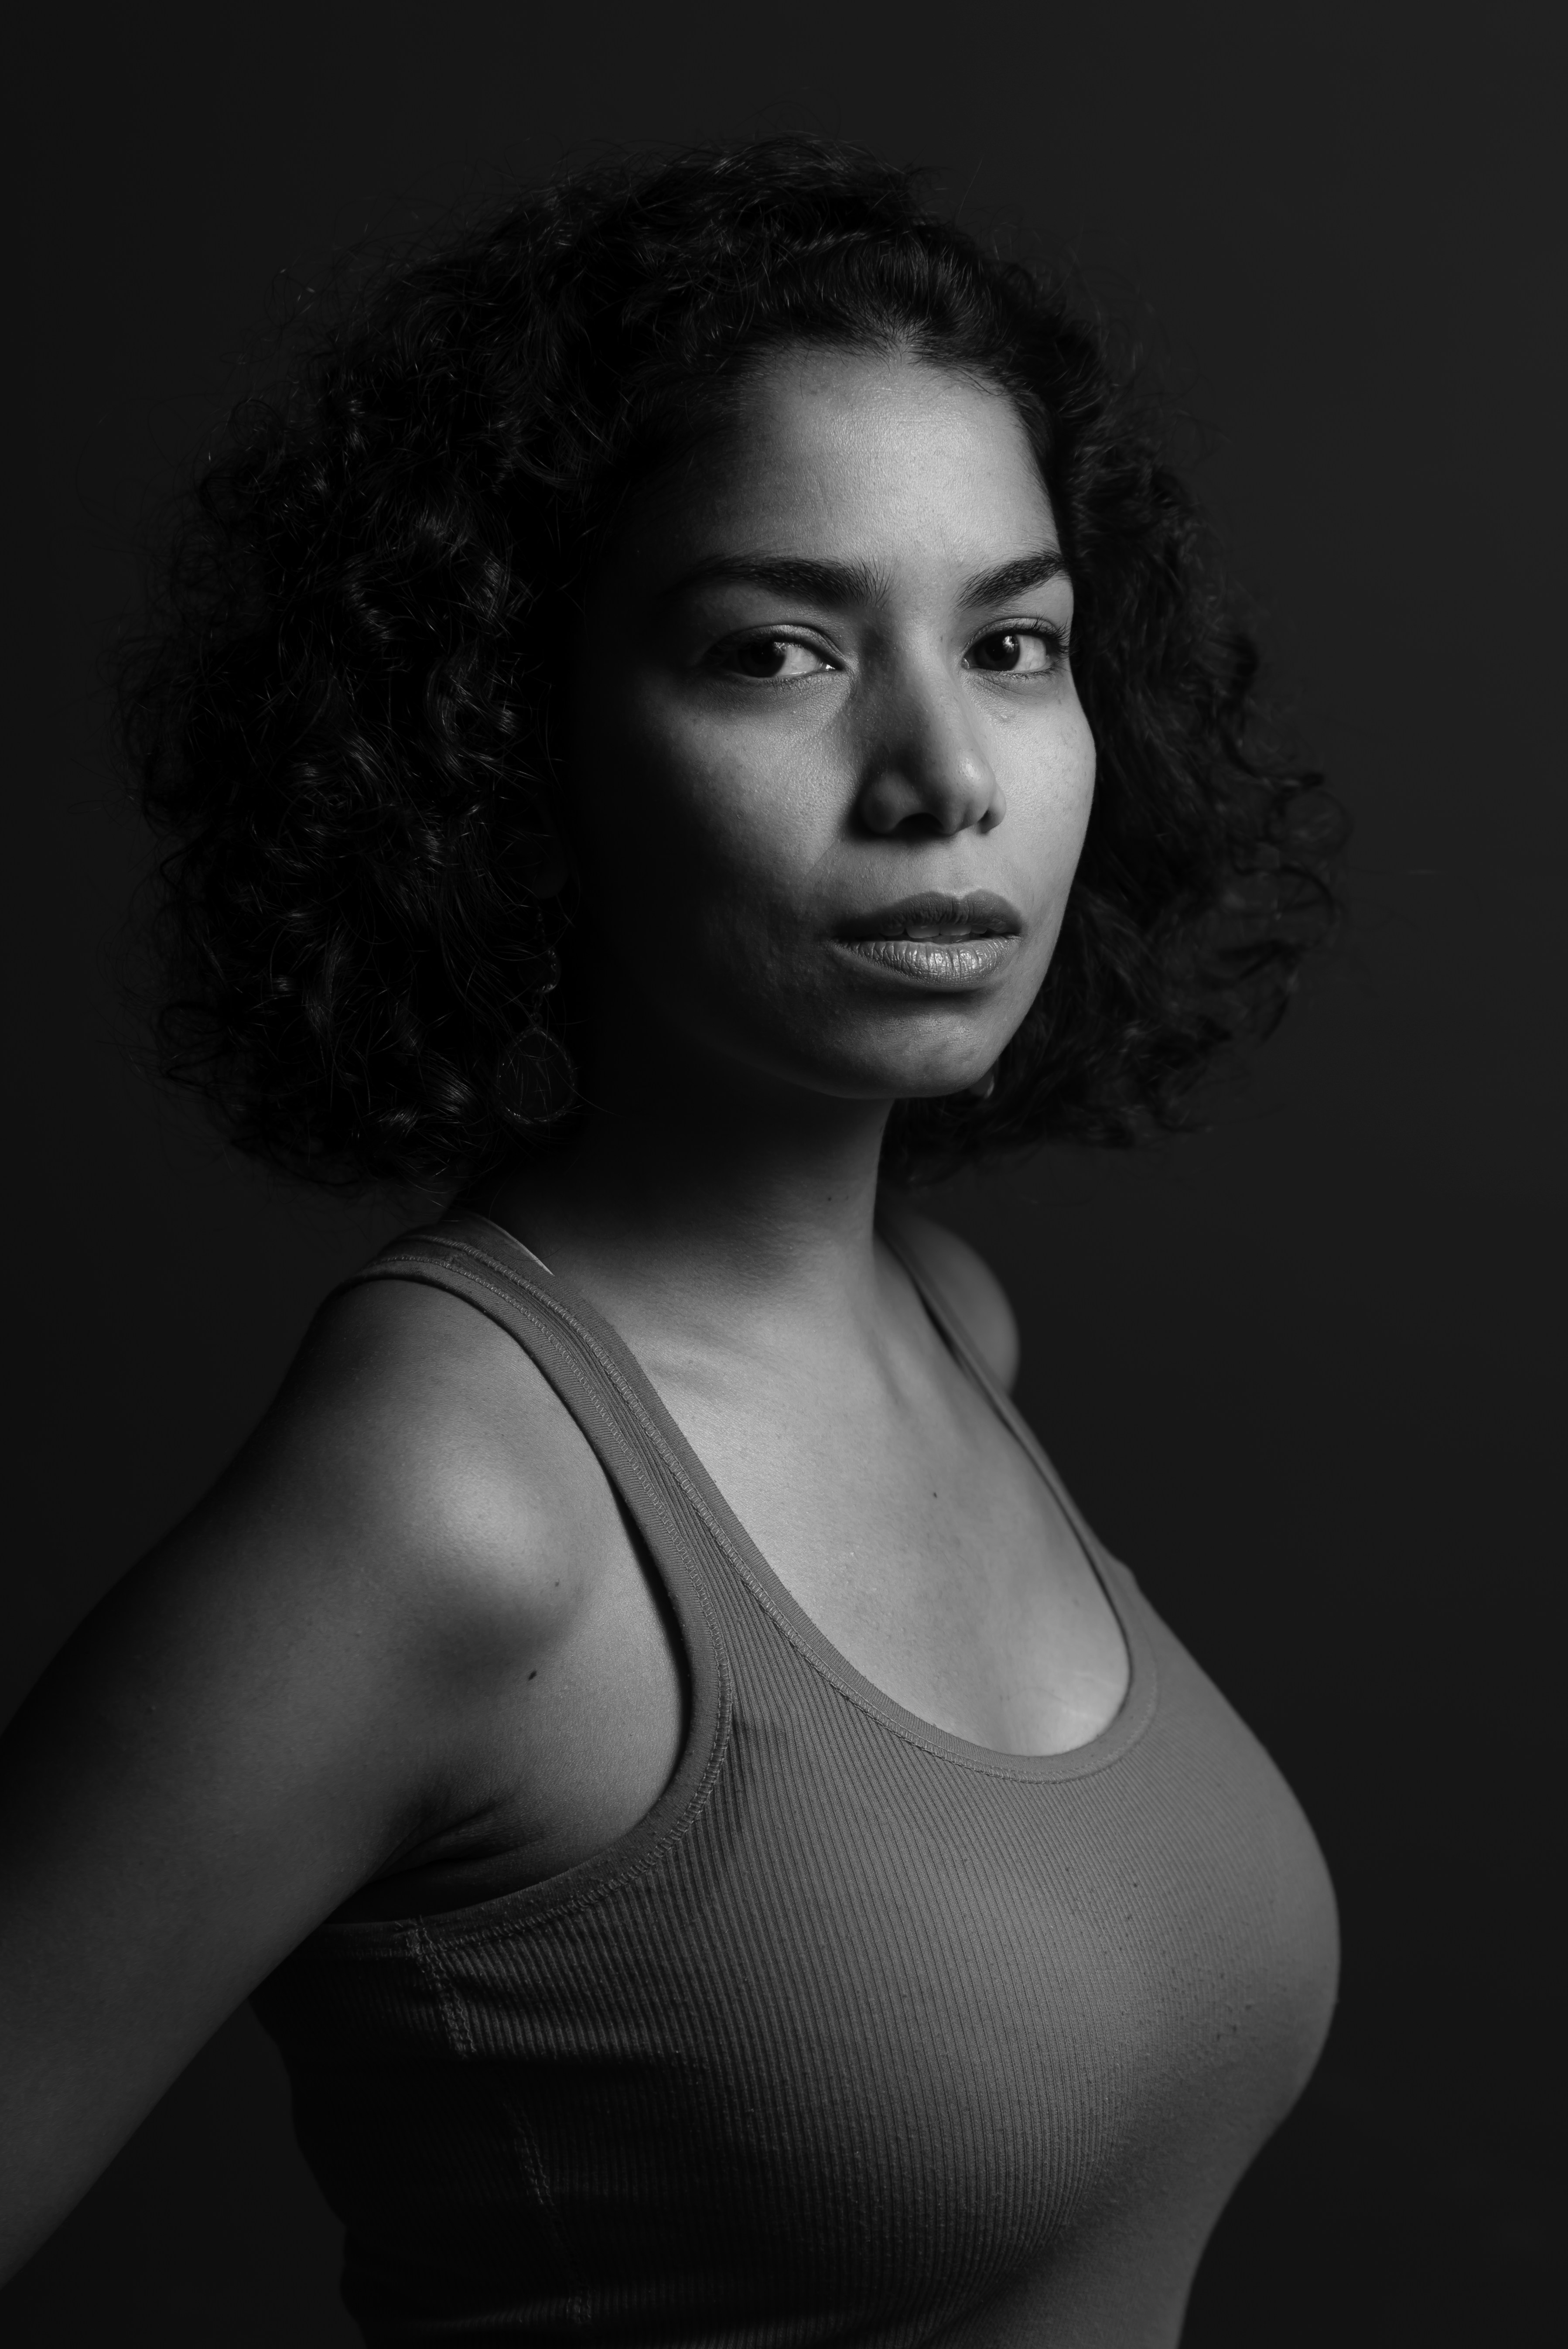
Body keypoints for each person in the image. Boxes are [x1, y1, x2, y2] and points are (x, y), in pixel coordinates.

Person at [0, 140, 1343, 2345]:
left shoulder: (948, 1327)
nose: (942, 773)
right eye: (776, 649)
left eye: (1012, 642)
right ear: (505, 739)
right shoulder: (452, 1501)